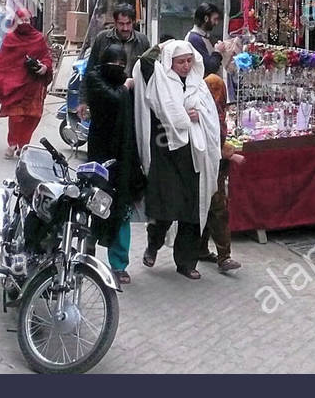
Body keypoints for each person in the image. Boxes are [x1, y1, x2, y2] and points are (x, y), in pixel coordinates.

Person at [140, 40, 221, 280]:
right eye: (180, 61)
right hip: (167, 152)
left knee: (192, 211)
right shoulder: (159, 79)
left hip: (194, 156)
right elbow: (145, 61)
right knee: (166, 207)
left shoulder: (199, 85)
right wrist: (161, 46)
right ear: (170, 62)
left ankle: (186, 262)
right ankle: (153, 245)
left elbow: (209, 116)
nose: (186, 66)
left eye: (189, 61)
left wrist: (197, 117)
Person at [83, 44, 145, 285]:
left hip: (124, 154)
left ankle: (119, 264)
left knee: (121, 209)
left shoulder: (123, 84)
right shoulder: (95, 79)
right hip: (100, 154)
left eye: (122, 64)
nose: (118, 68)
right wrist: (126, 85)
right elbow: (112, 99)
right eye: (114, 64)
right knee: (95, 204)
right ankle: (87, 248)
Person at [0, 8, 52, 158]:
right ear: (15, 22)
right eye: (21, 20)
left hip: (33, 86)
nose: (25, 23)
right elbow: (2, 62)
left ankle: (24, 144)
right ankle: (13, 143)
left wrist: (44, 67)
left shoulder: (38, 38)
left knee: (32, 117)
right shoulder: (10, 39)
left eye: (27, 20)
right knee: (15, 116)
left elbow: (46, 57)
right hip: (14, 86)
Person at [200, 74, 242, 273]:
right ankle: (224, 257)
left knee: (209, 208)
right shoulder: (208, 113)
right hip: (209, 166)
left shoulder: (216, 112)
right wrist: (230, 154)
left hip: (213, 166)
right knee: (217, 209)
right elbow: (212, 139)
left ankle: (201, 250)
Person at [86, 3, 151, 73]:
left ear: (133, 22)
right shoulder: (102, 39)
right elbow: (91, 69)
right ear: (115, 23)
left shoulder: (142, 41)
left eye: (128, 23)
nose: (125, 28)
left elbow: (148, 70)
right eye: (121, 24)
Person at [187, 2, 224, 77]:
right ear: (206, 18)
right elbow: (210, 67)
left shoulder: (204, 36)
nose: (216, 23)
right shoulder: (195, 39)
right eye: (215, 19)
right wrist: (217, 51)